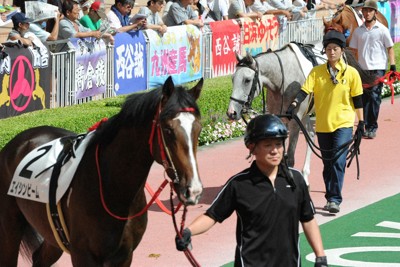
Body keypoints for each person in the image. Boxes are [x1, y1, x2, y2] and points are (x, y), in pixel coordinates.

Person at [175, 114, 328, 267]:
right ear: (251, 147)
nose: (275, 150)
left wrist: (320, 256)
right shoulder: (239, 184)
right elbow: (212, 215)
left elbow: (308, 219)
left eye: (278, 144)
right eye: (267, 145)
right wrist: (188, 232)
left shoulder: (296, 179)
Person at [287, 30, 364, 214]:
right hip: (322, 125)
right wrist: (295, 104)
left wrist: (361, 122)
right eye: (328, 49)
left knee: (337, 161)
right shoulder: (317, 72)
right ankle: (331, 194)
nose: (331, 52)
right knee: (328, 163)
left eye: (335, 49)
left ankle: (334, 199)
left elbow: (358, 99)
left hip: (344, 123)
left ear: (341, 50)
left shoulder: (352, 73)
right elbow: (304, 91)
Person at [349, 0, 396, 139]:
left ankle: (371, 127)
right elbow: (353, 50)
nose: (367, 13)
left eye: (370, 11)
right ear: (362, 12)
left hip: (378, 68)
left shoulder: (382, 30)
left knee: (374, 98)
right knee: (362, 98)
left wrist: (392, 65)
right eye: (365, 10)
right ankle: (363, 125)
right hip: (362, 69)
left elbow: (390, 48)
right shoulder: (358, 31)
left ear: (375, 12)